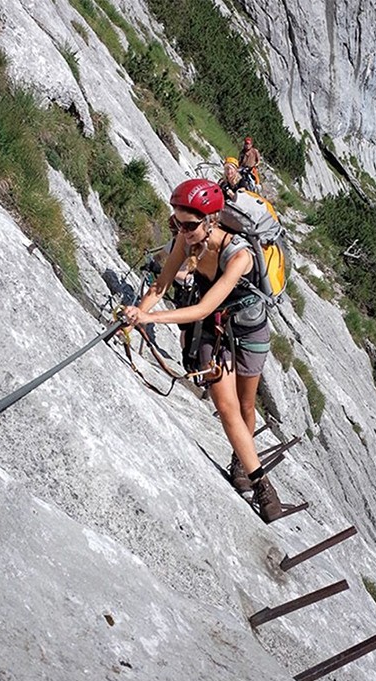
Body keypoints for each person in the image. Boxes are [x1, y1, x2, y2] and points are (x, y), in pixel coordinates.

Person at [122, 178, 283, 522]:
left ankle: (241, 459)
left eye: (190, 225)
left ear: (211, 220)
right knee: (226, 406)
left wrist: (149, 317)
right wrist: (136, 314)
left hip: (248, 329)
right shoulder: (187, 239)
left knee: (246, 404)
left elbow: (203, 308)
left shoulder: (239, 255)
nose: (182, 230)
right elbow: (160, 285)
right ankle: (263, 486)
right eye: (177, 222)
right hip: (215, 329)